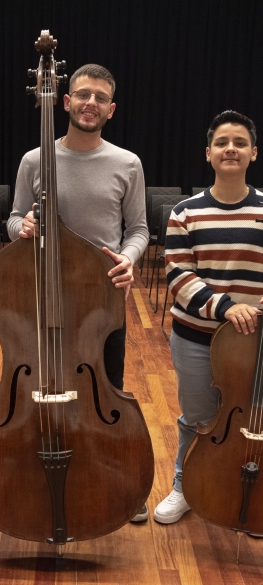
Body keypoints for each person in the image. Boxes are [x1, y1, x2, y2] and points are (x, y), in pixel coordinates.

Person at [7, 64, 149, 522]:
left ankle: (114, 483)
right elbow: (11, 221)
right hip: (42, 299)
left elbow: (139, 229)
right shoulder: (34, 159)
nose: (90, 102)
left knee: (105, 392)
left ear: (111, 108)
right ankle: (35, 472)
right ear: (64, 102)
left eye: (100, 96)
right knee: (39, 388)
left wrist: (129, 258)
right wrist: (22, 227)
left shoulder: (127, 163)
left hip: (100, 304)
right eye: (81, 94)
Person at [154, 110, 262, 524]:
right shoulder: (185, 212)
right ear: (208, 153)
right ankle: (185, 485)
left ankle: (247, 493)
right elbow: (178, 275)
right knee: (198, 418)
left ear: (253, 153)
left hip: (255, 342)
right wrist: (227, 307)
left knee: (253, 420)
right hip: (196, 337)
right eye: (221, 142)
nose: (230, 148)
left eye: (239, 142)